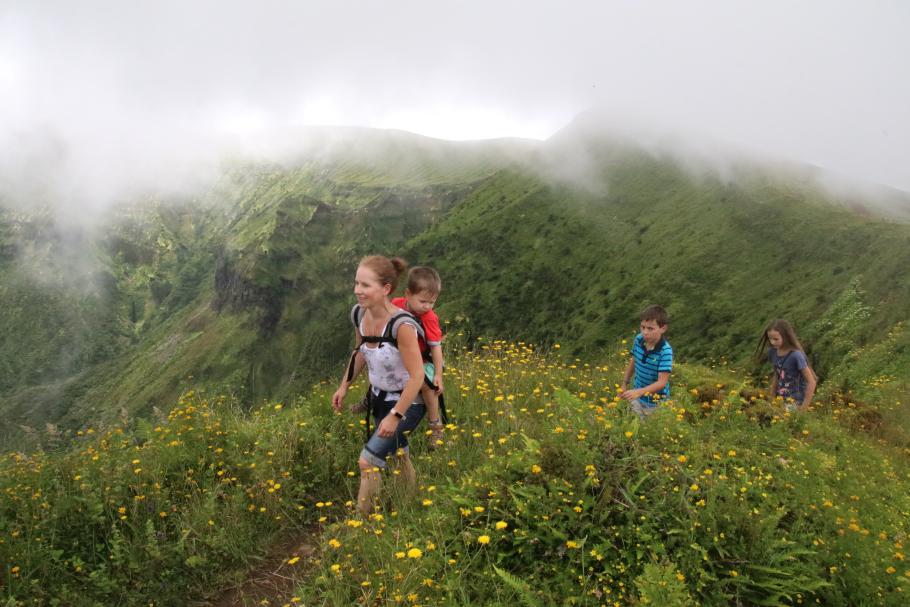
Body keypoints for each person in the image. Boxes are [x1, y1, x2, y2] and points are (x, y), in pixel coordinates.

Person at [332, 255, 426, 516]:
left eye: (365, 285)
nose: (358, 291)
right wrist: (344, 386)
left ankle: (361, 525)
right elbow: (360, 352)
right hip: (378, 398)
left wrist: (396, 416)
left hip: (408, 403)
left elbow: (417, 376)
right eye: (356, 283)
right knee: (398, 454)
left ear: (385, 289)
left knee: (368, 461)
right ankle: (410, 505)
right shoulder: (359, 314)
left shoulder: (402, 325)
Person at [392, 266, 445, 448]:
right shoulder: (396, 305)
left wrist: (438, 374)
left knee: (429, 387)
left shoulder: (429, 317)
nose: (427, 307)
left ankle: (435, 425)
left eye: (432, 302)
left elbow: (436, 348)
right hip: (400, 356)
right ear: (407, 294)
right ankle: (371, 399)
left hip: (423, 360)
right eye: (423, 301)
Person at [620, 305, 674, 420]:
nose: (645, 332)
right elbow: (634, 360)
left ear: (663, 328)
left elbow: (662, 382)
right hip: (637, 397)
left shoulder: (665, 351)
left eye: (650, 328)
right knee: (633, 427)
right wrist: (625, 383)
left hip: (656, 403)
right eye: (642, 327)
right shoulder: (639, 339)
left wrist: (639, 392)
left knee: (649, 432)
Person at [756, 319, 816, 411]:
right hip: (780, 399)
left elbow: (811, 381)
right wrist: (772, 398)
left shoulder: (796, 355)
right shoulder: (773, 352)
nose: (772, 342)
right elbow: (777, 375)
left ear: (786, 337)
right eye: (770, 339)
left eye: (776, 339)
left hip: (796, 401)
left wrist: (803, 409)